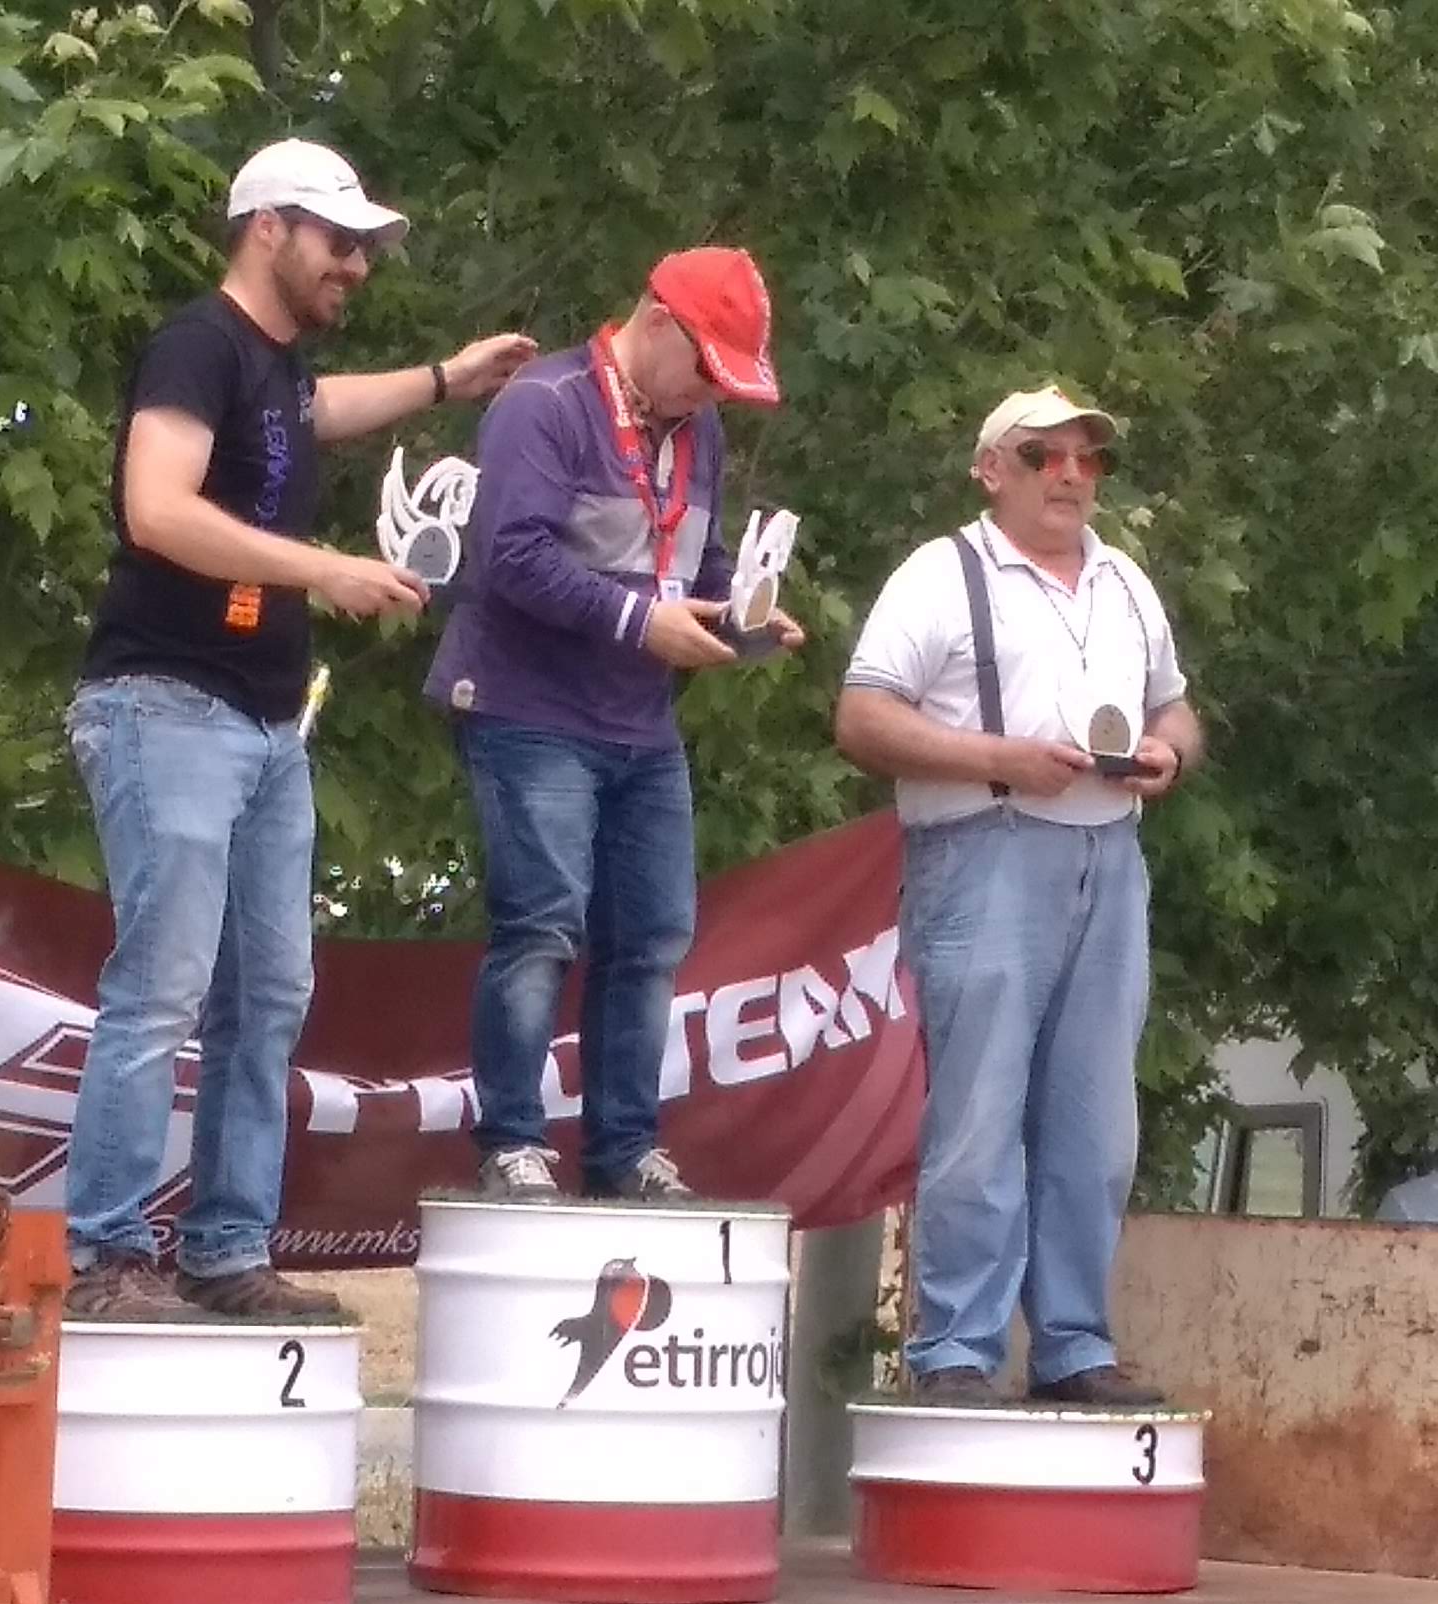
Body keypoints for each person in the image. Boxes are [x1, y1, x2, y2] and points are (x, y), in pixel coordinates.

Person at [63, 139, 535, 1322]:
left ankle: (225, 1251)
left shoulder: (272, 371)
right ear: (265, 228)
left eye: (365, 248)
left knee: (268, 994)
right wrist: (325, 568)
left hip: (266, 725)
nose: (356, 266)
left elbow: (324, 410)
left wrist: (448, 377)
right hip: (166, 701)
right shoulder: (195, 345)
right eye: (338, 241)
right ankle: (105, 1257)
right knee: (162, 987)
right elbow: (155, 509)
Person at [830, 389, 1199, 1408]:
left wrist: (1170, 753)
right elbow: (861, 718)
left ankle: (1074, 1344)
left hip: (1108, 856)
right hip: (982, 848)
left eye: (1089, 459)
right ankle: (955, 1348)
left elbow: (1175, 705)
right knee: (980, 1113)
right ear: (991, 469)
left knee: (1095, 1120)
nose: (1069, 476)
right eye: (1043, 456)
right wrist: (999, 759)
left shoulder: (1124, 581)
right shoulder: (940, 575)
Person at [426, 249, 803, 1204]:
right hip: (528, 708)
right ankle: (511, 1142)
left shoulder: (698, 430)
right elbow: (511, 556)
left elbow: (699, 561)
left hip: (640, 721)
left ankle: (625, 1149)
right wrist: (643, 623)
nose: (712, 395)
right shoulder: (544, 404)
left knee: (653, 936)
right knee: (542, 924)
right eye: (708, 369)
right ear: (660, 321)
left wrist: (742, 615)